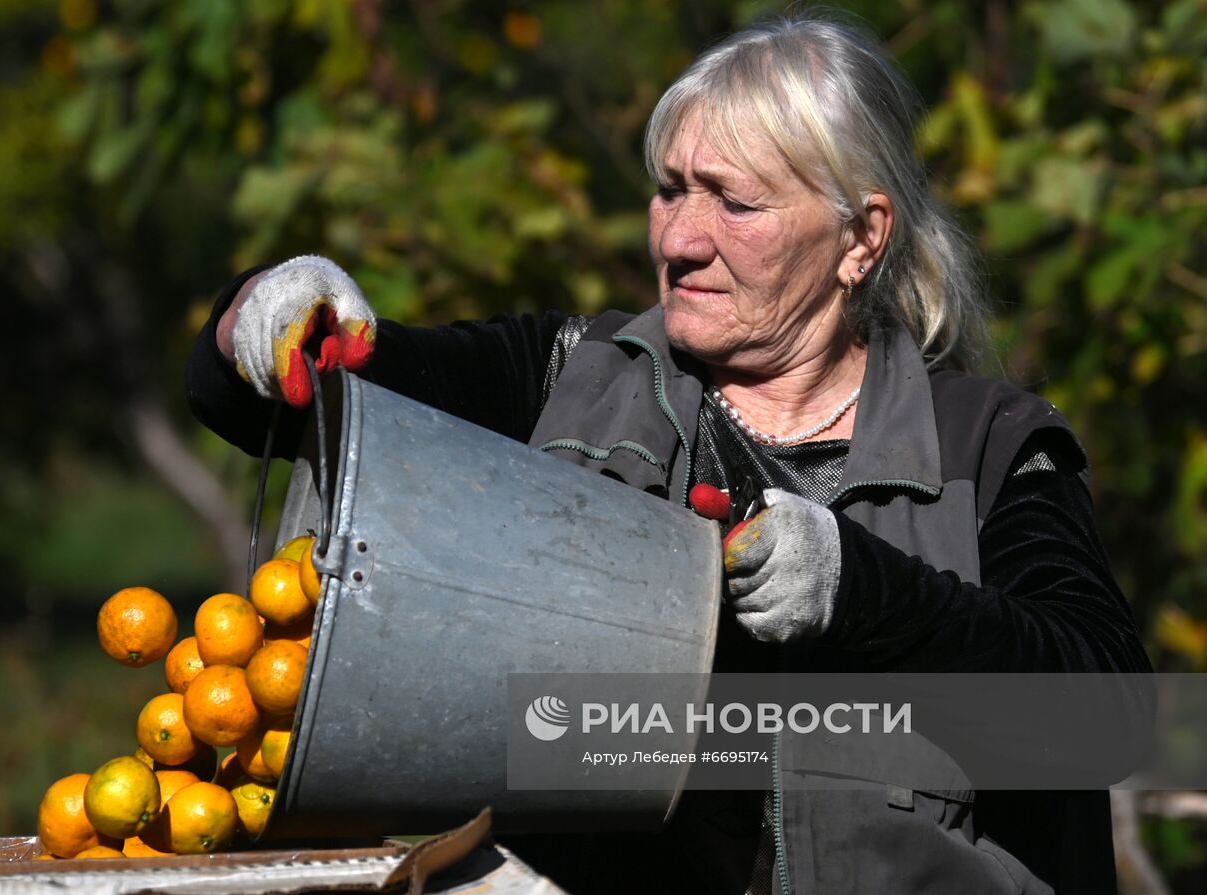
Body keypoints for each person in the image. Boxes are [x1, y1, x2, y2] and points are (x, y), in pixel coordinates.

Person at [188, 13, 1151, 894]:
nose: (680, 238)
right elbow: (308, 400)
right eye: (669, 190)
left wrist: (861, 590)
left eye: (734, 203)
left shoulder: (987, 445)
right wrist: (263, 311)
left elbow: (1101, 719)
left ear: (862, 237)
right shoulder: (566, 377)